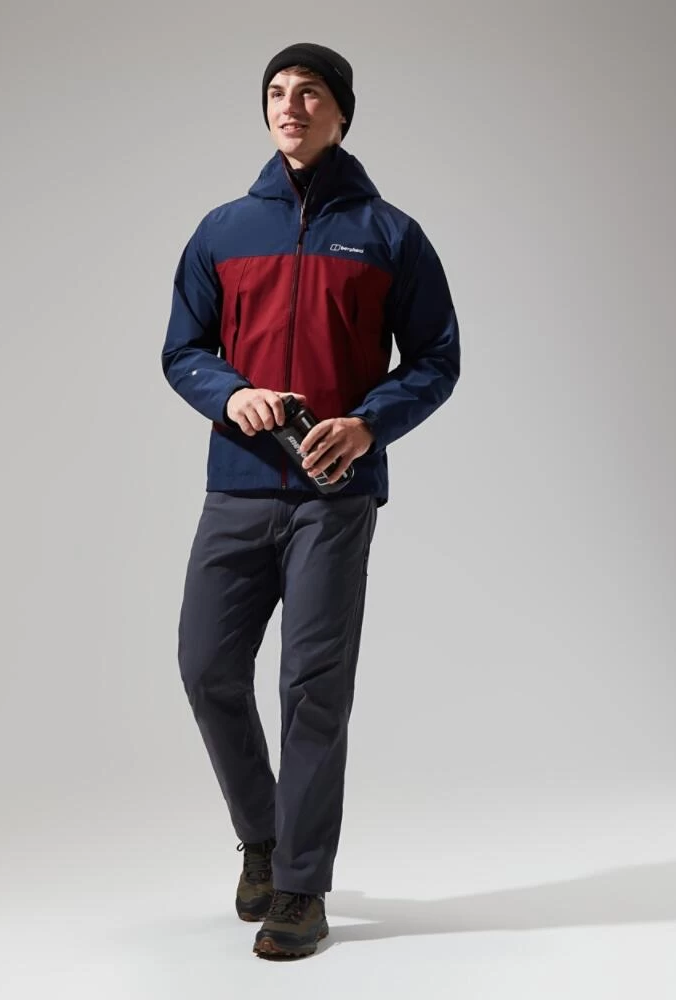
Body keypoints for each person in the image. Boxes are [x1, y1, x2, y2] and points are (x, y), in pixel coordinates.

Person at [161, 41, 460, 959]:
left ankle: (299, 887)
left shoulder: (389, 234)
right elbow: (183, 350)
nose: (290, 106)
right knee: (207, 667)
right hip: (238, 486)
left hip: (335, 497)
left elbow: (438, 358)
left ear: (342, 113)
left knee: (312, 688)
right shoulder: (221, 232)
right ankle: (263, 838)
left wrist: (369, 424)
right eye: (277, 93)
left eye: (310, 93)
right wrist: (231, 395)